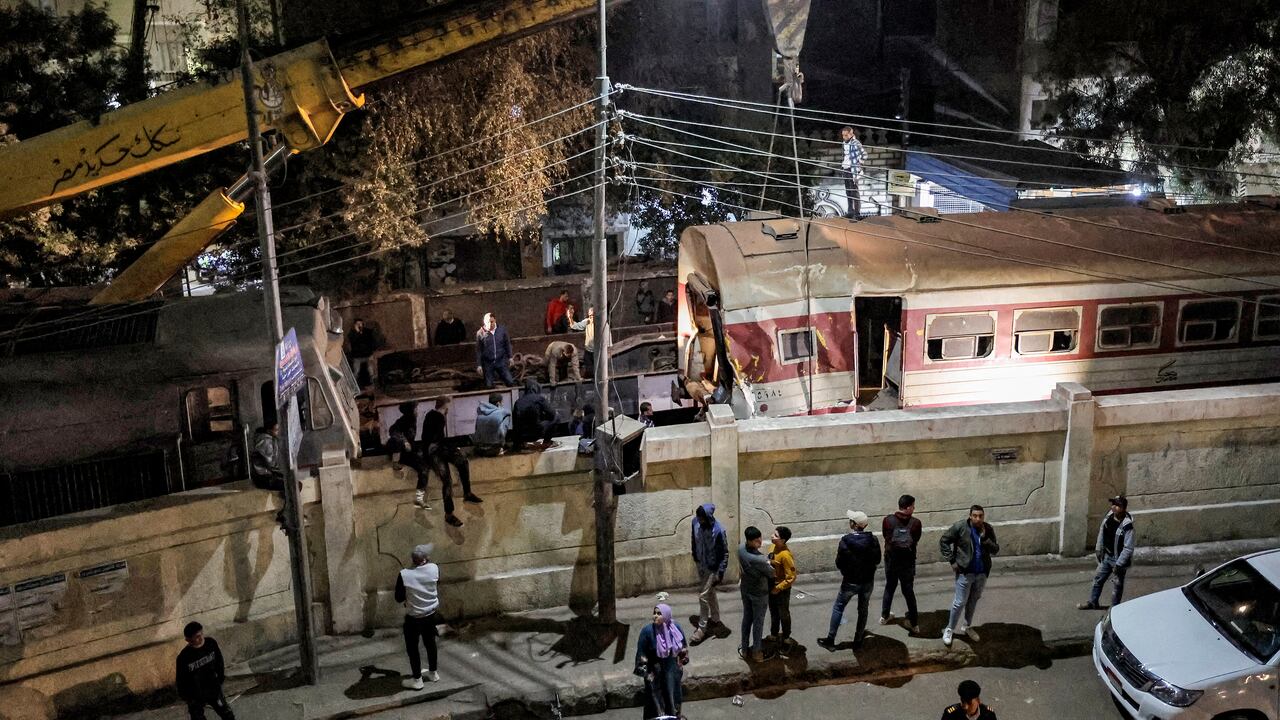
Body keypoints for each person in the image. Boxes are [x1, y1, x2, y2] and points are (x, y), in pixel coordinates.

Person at [939, 505, 1000, 647]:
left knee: (973, 600)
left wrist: (985, 539)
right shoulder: (960, 527)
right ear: (970, 516)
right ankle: (949, 629)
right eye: (975, 516)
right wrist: (952, 561)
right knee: (960, 602)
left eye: (981, 516)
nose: (978, 519)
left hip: (982, 573)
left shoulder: (988, 529)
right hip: (965, 572)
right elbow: (944, 541)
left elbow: (995, 550)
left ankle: (966, 626)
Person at [818, 510, 880, 650]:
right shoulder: (873, 540)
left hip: (850, 582)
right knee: (863, 610)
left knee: (839, 607)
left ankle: (830, 640)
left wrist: (847, 572)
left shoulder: (846, 540)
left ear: (853, 524)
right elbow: (877, 560)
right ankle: (858, 641)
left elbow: (839, 563)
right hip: (867, 581)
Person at [421, 396, 481, 527]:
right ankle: (449, 513)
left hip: (438, 449)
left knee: (462, 461)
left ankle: (467, 493)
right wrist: (452, 449)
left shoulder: (433, 415)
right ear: (445, 406)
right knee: (447, 479)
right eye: (449, 406)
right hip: (433, 452)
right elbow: (435, 441)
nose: (449, 409)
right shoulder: (438, 417)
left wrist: (452, 448)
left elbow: (438, 439)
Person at [395, 544, 442, 690]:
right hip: (431, 614)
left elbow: (398, 597)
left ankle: (417, 680)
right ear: (426, 558)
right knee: (430, 643)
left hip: (414, 618)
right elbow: (435, 583)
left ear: (413, 559)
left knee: (413, 648)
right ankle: (433, 673)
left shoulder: (404, 574)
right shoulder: (434, 568)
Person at [1078, 495, 1136, 610]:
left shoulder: (1127, 525)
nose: (1114, 507)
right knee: (1098, 579)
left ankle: (1114, 609)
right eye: (1113, 504)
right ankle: (1093, 602)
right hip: (1106, 556)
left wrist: (1119, 564)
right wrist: (1098, 548)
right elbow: (1102, 531)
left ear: (1124, 508)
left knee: (1117, 586)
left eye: (1117, 505)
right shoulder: (1109, 516)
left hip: (1118, 560)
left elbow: (1128, 548)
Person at [635, 603, 687, 720]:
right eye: (654, 613)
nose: (655, 616)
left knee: (673, 697)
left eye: (659, 614)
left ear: (667, 615)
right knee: (655, 702)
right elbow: (641, 654)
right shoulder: (647, 632)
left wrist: (679, 667)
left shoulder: (676, 628)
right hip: (654, 674)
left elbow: (683, 648)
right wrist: (648, 675)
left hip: (671, 673)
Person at [881, 494, 923, 634]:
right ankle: (914, 623)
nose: (914, 508)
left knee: (890, 588)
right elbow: (915, 539)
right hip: (907, 563)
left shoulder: (887, 521)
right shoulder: (916, 523)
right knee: (908, 592)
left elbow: (886, 537)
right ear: (908, 507)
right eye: (913, 505)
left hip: (891, 562)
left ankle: (884, 616)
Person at [175, 621, 234, 720]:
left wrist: (219, 679)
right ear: (188, 640)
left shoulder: (210, 643)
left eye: (201, 634)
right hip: (195, 693)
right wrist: (188, 698)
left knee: (227, 714)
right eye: (197, 637)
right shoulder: (184, 657)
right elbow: (181, 680)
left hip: (213, 687)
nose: (201, 638)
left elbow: (219, 661)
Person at [688, 503, 728, 645]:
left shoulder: (718, 530)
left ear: (709, 517)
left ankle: (702, 629)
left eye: (702, 519)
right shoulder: (695, 522)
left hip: (712, 567)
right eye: (698, 518)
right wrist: (695, 556)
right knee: (710, 592)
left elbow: (724, 553)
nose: (700, 521)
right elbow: (694, 539)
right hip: (700, 563)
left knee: (703, 596)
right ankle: (716, 619)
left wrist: (720, 572)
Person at [737, 526, 774, 662]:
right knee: (758, 622)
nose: (760, 541)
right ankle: (757, 652)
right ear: (751, 540)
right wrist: (769, 562)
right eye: (757, 540)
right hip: (759, 593)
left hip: (745, 589)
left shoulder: (740, 549)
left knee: (747, 618)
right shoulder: (760, 559)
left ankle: (745, 649)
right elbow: (771, 573)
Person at [388, 402, 431, 509]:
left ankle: (419, 499)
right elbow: (392, 430)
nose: (418, 411)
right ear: (411, 411)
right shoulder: (403, 420)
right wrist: (404, 441)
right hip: (400, 452)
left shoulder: (412, 420)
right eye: (416, 409)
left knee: (424, 469)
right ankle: (395, 463)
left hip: (408, 452)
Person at [767, 526, 797, 650]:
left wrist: (778, 588)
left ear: (783, 540)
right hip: (771, 585)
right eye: (773, 534)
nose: (772, 536)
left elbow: (791, 577)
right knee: (773, 612)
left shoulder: (785, 555)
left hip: (781, 590)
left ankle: (786, 637)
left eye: (776, 536)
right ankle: (774, 633)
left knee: (783, 613)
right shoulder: (773, 547)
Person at [512, 378, 557, 447]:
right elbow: (552, 414)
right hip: (536, 433)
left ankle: (520, 444)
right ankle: (546, 442)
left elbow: (515, 421)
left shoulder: (518, 401)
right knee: (556, 418)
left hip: (521, 435)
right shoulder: (539, 398)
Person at [475, 312, 515, 388]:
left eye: (491, 322)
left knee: (510, 381)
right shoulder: (480, 333)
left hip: (501, 361)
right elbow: (478, 350)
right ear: (484, 322)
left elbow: (507, 344)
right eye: (487, 322)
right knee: (488, 385)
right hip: (488, 363)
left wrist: (510, 357)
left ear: (495, 320)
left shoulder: (502, 330)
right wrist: (479, 365)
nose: (490, 324)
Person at [840, 126, 866, 219]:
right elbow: (844, 156)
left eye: (846, 135)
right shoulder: (844, 143)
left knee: (854, 192)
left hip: (853, 170)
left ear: (851, 134)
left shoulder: (856, 143)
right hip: (846, 168)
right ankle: (850, 211)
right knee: (848, 191)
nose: (844, 137)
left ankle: (857, 213)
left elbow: (864, 155)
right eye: (843, 135)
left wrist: (859, 166)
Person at [250, 423, 283, 491]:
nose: (278, 432)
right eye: (276, 430)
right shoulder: (266, 442)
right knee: (292, 484)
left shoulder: (270, 439)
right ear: (269, 431)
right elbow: (271, 465)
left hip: (266, 475)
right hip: (263, 477)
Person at [347, 318, 377, 387]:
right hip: (357, 356)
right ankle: (354, 386)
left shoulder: (367, 332)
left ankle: (374, 384)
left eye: (360, 324)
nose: (359, 325)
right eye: (357, 324)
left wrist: (371, 352)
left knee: (371, 370)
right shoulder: (352, 333)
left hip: (367, 355)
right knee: (356, 372)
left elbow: (371, 342)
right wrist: (357, 333)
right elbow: (352, 342)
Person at [570, 306, 595, 376]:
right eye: (590, 316)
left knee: (598, 370)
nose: (591, 317)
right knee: (589, 369)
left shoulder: (601, 324)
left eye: (593, 315)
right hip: (588, 350)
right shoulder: (587, 321)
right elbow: (575, 326)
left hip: (598, 351)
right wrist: (570, 317)